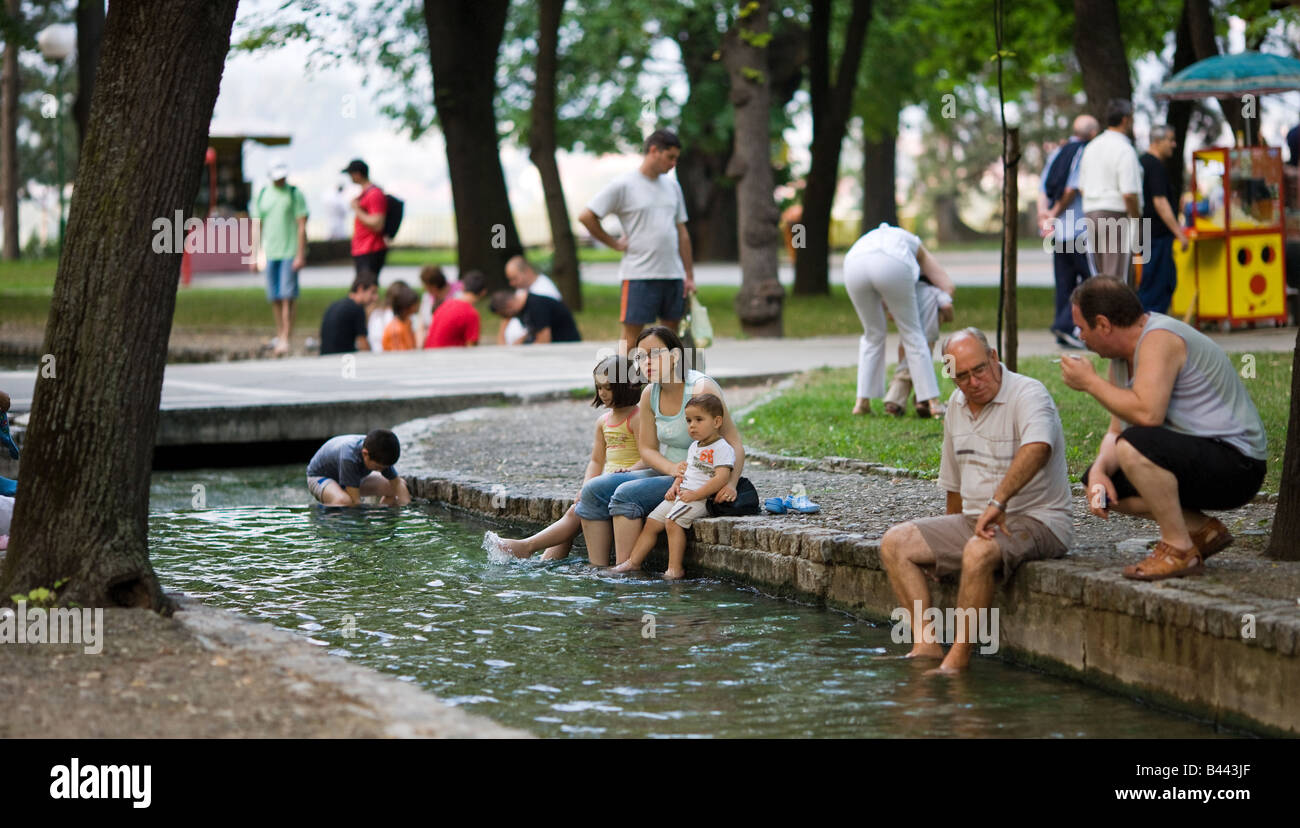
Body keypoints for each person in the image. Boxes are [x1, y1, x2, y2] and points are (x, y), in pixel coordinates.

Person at [880, 327, 1072, 674]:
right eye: (962, 377)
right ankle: (926, 644)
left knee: (977, 551)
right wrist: (943, 549)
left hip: (1037, 519)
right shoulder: (956, 405)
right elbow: (954, 483)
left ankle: (957, 661)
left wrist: (997, 503)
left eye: (979, 370)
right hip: (976, 520)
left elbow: (1038, 449)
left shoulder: (1029, 393)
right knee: (896, 542)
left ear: (994, 358)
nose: (973, 382)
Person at [1061, 277, 1266, 581]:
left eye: (1081, 327)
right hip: (1198, 455)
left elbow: (1148, 414)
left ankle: (1179, 549)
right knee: (1107, 487)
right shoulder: (1119, 361)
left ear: (1103, 324)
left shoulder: (1159, 338)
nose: (1079, 335)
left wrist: (1091, 383)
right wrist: (1099, 473)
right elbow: (1116, 431)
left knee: (1135, 446)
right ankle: (1202, 532)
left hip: (1238, 464)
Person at [576, 326, 745, 567]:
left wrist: (730, 483)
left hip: (700, 477)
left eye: (655, 354)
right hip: (670, 471)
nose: (647, 362)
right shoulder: (649, 394)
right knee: (593, 489)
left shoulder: (701, 389)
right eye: (640, 356)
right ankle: (599, 570)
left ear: (675, 356)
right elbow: (647, 449)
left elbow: (735, 443)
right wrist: (671, 468)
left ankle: (625, 571)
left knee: (626, 494)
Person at [486, 356, 645, 563]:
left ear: (626, 386)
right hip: (604, 486)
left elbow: (648, 455)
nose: (602, 393)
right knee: (576, 511)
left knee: (574, 515)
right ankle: (544, 563)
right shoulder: (603, 422)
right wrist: (586, 487)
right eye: (598, 388)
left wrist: (630, 470)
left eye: (608, 387)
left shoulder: (637, 417)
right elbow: (596, 461)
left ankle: (528, 547)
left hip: (628, 483)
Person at [578, 129, 695, 351]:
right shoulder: (623, 185)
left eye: (676, 159)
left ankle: (665, 384)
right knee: (631, 337)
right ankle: (625, 384)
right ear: (653, 151)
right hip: (638, 274)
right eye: (670, 157)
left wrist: (689, 275)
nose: (673, 164)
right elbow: (586, 216)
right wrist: (614, 243)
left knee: (669, 337)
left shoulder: (672, 186)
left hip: (673, 274)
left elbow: (682, 232)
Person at [612, 393, 734, 579]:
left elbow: (721, 478)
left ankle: (674, 569)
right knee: (652, 522)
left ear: (717, 421)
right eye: (688, 420)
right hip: (683, 494)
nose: (692, 425)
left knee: (672, 522)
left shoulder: (722, 448)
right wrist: (675, 486)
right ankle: (633, 562)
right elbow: (687, 472)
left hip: (701, 498)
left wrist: (696, 494)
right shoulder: (695, 446)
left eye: (699, 420)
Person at [843, 222, 957, 418]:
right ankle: (934, 403)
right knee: (913, 334)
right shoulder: (917, 247)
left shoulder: (879, 238)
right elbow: (946, 284)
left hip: (853, 263)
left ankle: (861, 403)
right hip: (891, 262)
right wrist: (945, 301)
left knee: (872, 335)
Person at [1039, 114, 1099, 348]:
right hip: (1078, 228)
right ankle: (1065, 325)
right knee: (1089, 281)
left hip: (1059, 233)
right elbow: (1072, 189)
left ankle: (1062, 329)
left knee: (1063, 282)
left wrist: (1043, 214)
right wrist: (1053, 213)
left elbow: (1043, 186)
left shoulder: (1057, 152)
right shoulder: (1084, 152)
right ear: (1093, 133)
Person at [1077, 99, 1143, 285]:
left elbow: (1081, 187)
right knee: (1117, 279)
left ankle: (1102, 313)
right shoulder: (1124, 149)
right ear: (1125, 119)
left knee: (1100, 276)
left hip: (1091, 212)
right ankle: (1113, 315)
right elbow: (1129, 193)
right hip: (1116, 213)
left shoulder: (1091, 147)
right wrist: (1137, 219)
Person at [249, 162, 309, 356]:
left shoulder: (294, 194)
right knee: (274, 297)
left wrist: (300, 254)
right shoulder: (263, 194)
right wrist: (254, 254)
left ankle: (286, 338)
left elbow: (301, 226)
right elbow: (257, 225)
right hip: (271, 252)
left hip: (289, 252)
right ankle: (280, 333)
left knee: (287, 297)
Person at [882, 277, 954, 417]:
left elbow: (891, 314)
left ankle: (917, 400)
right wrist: (947, 317)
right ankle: (900, 402)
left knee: (909, 365)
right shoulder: (935, 291)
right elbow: (947, 306)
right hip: (927, 335)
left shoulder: (907, 292)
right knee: (911, 367)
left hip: (906, 334)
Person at [1137, 126, 1190, 314]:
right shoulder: (1155, 165)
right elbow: (1159, 201)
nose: (1174, 145)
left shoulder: (1141, 163)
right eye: (1170, 140)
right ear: (1157, 141)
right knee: (1159, 284)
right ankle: (1149, 326)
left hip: (1147, 233)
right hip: (1157, 236)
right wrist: (1179, 233)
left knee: (1159, 280)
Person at [306, 429, 411, 507]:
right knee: (345, 501)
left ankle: (383, 514)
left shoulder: (380, 449)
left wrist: (406, 511)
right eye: (377, 467)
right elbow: (355, 503)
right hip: (320, 478)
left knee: (394, 487)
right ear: (365, 454)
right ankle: (324, 515)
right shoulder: (349, 457)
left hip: (352, 477)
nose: (380, 470)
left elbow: (397, 483)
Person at [499, 254, 564, 345]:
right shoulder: (522, 289)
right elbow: (508, 314)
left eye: (514, 278)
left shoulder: (545, 292)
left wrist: (520, 343)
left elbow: (542, 331)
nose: (511, 283)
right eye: (510, 280)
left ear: (527, 271)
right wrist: (502, 340)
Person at [343, 159, 388, 277]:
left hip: (370, 248)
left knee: (367, 288)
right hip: (362, 248)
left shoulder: (374, 194)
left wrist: (357, 210)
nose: (350, 178)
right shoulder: (365, 193)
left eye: (351, 174)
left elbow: (378, 224)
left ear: (357, 174)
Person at [488, 289, 581, 343]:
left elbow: (544, 339)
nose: (506, 318)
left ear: (509, 305)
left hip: (566, 346)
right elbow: (530, 334)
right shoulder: (522, 309)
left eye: (504, 315)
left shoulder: (536, 306)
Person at [425, 270, 488, 348]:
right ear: (483, 292)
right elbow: (472, 349)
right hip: (446, 357)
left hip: (429, 354)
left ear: (463, 287)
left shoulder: (445, 304)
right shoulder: (470, 313)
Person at [319, 272, 377, 355]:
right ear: (360, 289)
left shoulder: (334, 305)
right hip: (342, 358)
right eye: (373, 292)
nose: (375, 297)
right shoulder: (357, 308)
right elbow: (363, 344)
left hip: (325, 356)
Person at [416, 265, 459, 344]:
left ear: (433, 287)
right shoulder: (427, 298)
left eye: (426, 286)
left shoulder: (457, 295)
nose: (424, 289)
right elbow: (421, 325)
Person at [381, 280, 419, 351]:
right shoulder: (396, 330)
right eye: (414, 304)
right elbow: (400, 358)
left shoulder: (408, 322)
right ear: (405, 308)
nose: (417, 306)